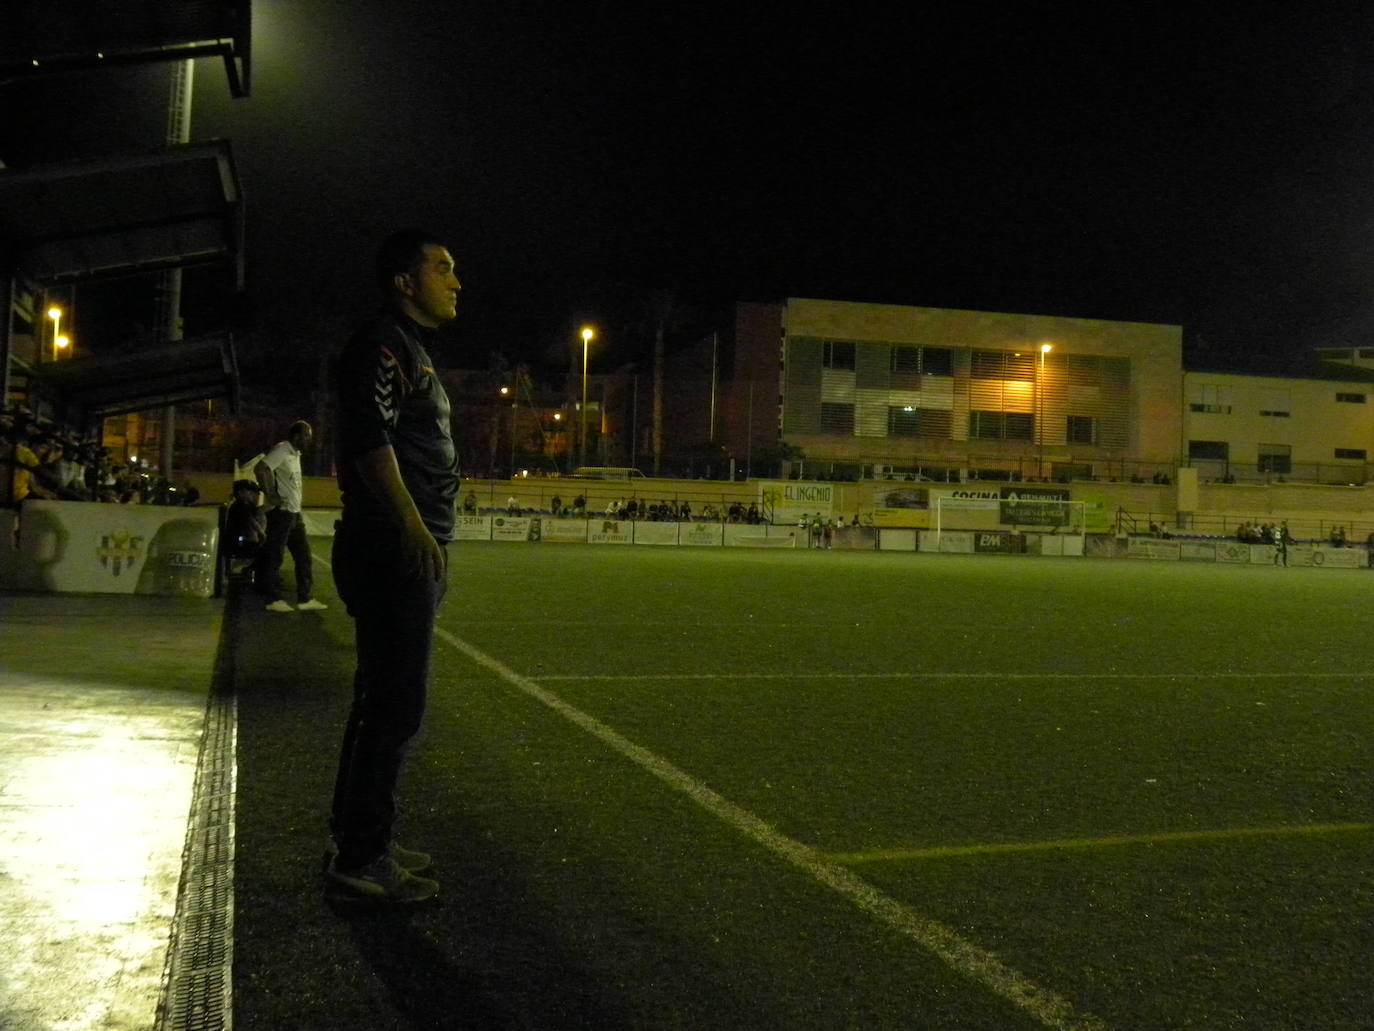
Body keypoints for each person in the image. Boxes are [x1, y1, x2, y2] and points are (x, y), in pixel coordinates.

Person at [325, 228, 462, 905]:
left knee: (380, 700)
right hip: (390, 548)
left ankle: (362, 837)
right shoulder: (382, 342)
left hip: (401, 547)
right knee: (395, 707)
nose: (456, 281)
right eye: (443, 268)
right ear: (406, 282)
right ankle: (361, 856)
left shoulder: (409, 349)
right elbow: (369, 439)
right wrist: (415, 530)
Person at [254, 421, 327, 612]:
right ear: (296, 436)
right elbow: (261, 468)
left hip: (294, 514)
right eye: (307, 436)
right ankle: (272, 599)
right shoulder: (282, 449)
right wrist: (271, 495)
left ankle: (305, 598)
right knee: (275, 555)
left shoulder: (296, 454)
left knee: (303, 556)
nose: (309, 440)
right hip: (282, 513)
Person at [223, 479, 267, 575]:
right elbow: (250, 520)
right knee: (265, 555)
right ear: (241, 493)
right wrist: (262, 534)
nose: (255, 495)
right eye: (251, 492)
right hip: (240, 543)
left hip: (241, 542)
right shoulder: (240, 505)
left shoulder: (244, 506)